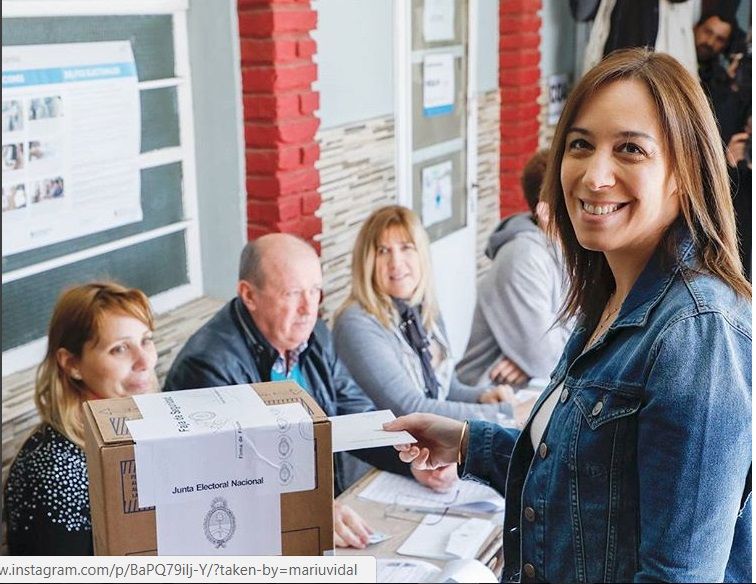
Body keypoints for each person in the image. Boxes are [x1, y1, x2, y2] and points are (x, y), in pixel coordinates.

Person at [385, 48, 751, 583]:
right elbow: (587, 471)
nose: (594, 175)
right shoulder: (613, 295)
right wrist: (466, 441)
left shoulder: (697, 333)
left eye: (630, 149)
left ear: (685, 172)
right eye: (580, 145)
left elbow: (680, 575)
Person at [164, 233, 456, 549]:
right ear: (249, 295)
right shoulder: (208, 364)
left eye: (315, 291)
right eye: (292, 293)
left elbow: (355, 413)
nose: (308, 308)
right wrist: (304, 509)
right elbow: (223, 478)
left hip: (320, 518)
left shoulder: (314, 334)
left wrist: (414, 460)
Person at [3, 282, 159, 555]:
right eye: (119, 349)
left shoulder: (141, 423)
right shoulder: (55, 472)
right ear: (72, 364)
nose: (145, 361)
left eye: (146, 340)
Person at [333, 205, 523, 425]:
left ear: (421, 254)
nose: (396, 262)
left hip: (432, 443)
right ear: (366, 262)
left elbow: (446, 387)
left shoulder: (422, 308)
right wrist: (504, 414)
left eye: (406, 248)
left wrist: (482, 397)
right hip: (393, 454)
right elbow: (410, 408)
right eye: (383, 251)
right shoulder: (357, 323)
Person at [456, 151, 570, 388]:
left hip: (536, 388)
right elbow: (547, 360)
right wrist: (535, 359)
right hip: (488, 398)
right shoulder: (523, 258)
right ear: (546, 213)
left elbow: (598, 325)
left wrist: (530, 360)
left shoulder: (575, 251)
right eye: (573, 197)